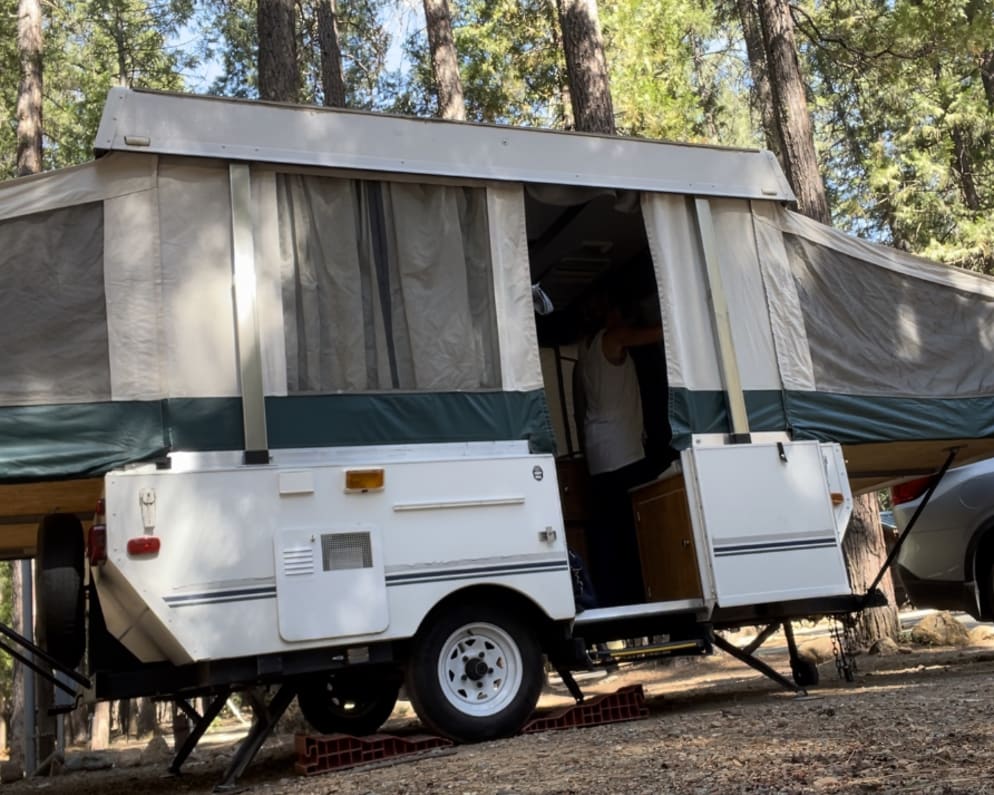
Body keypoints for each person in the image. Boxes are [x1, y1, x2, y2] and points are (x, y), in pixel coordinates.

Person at [574, 297, 663, 606]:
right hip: (623, 451)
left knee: (608, 532)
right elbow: (659, 334)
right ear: (610, 314)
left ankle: (611, 600)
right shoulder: (613, 338)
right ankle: (639, 596)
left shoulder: (584, 348)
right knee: (631, 530)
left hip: (598, 453)